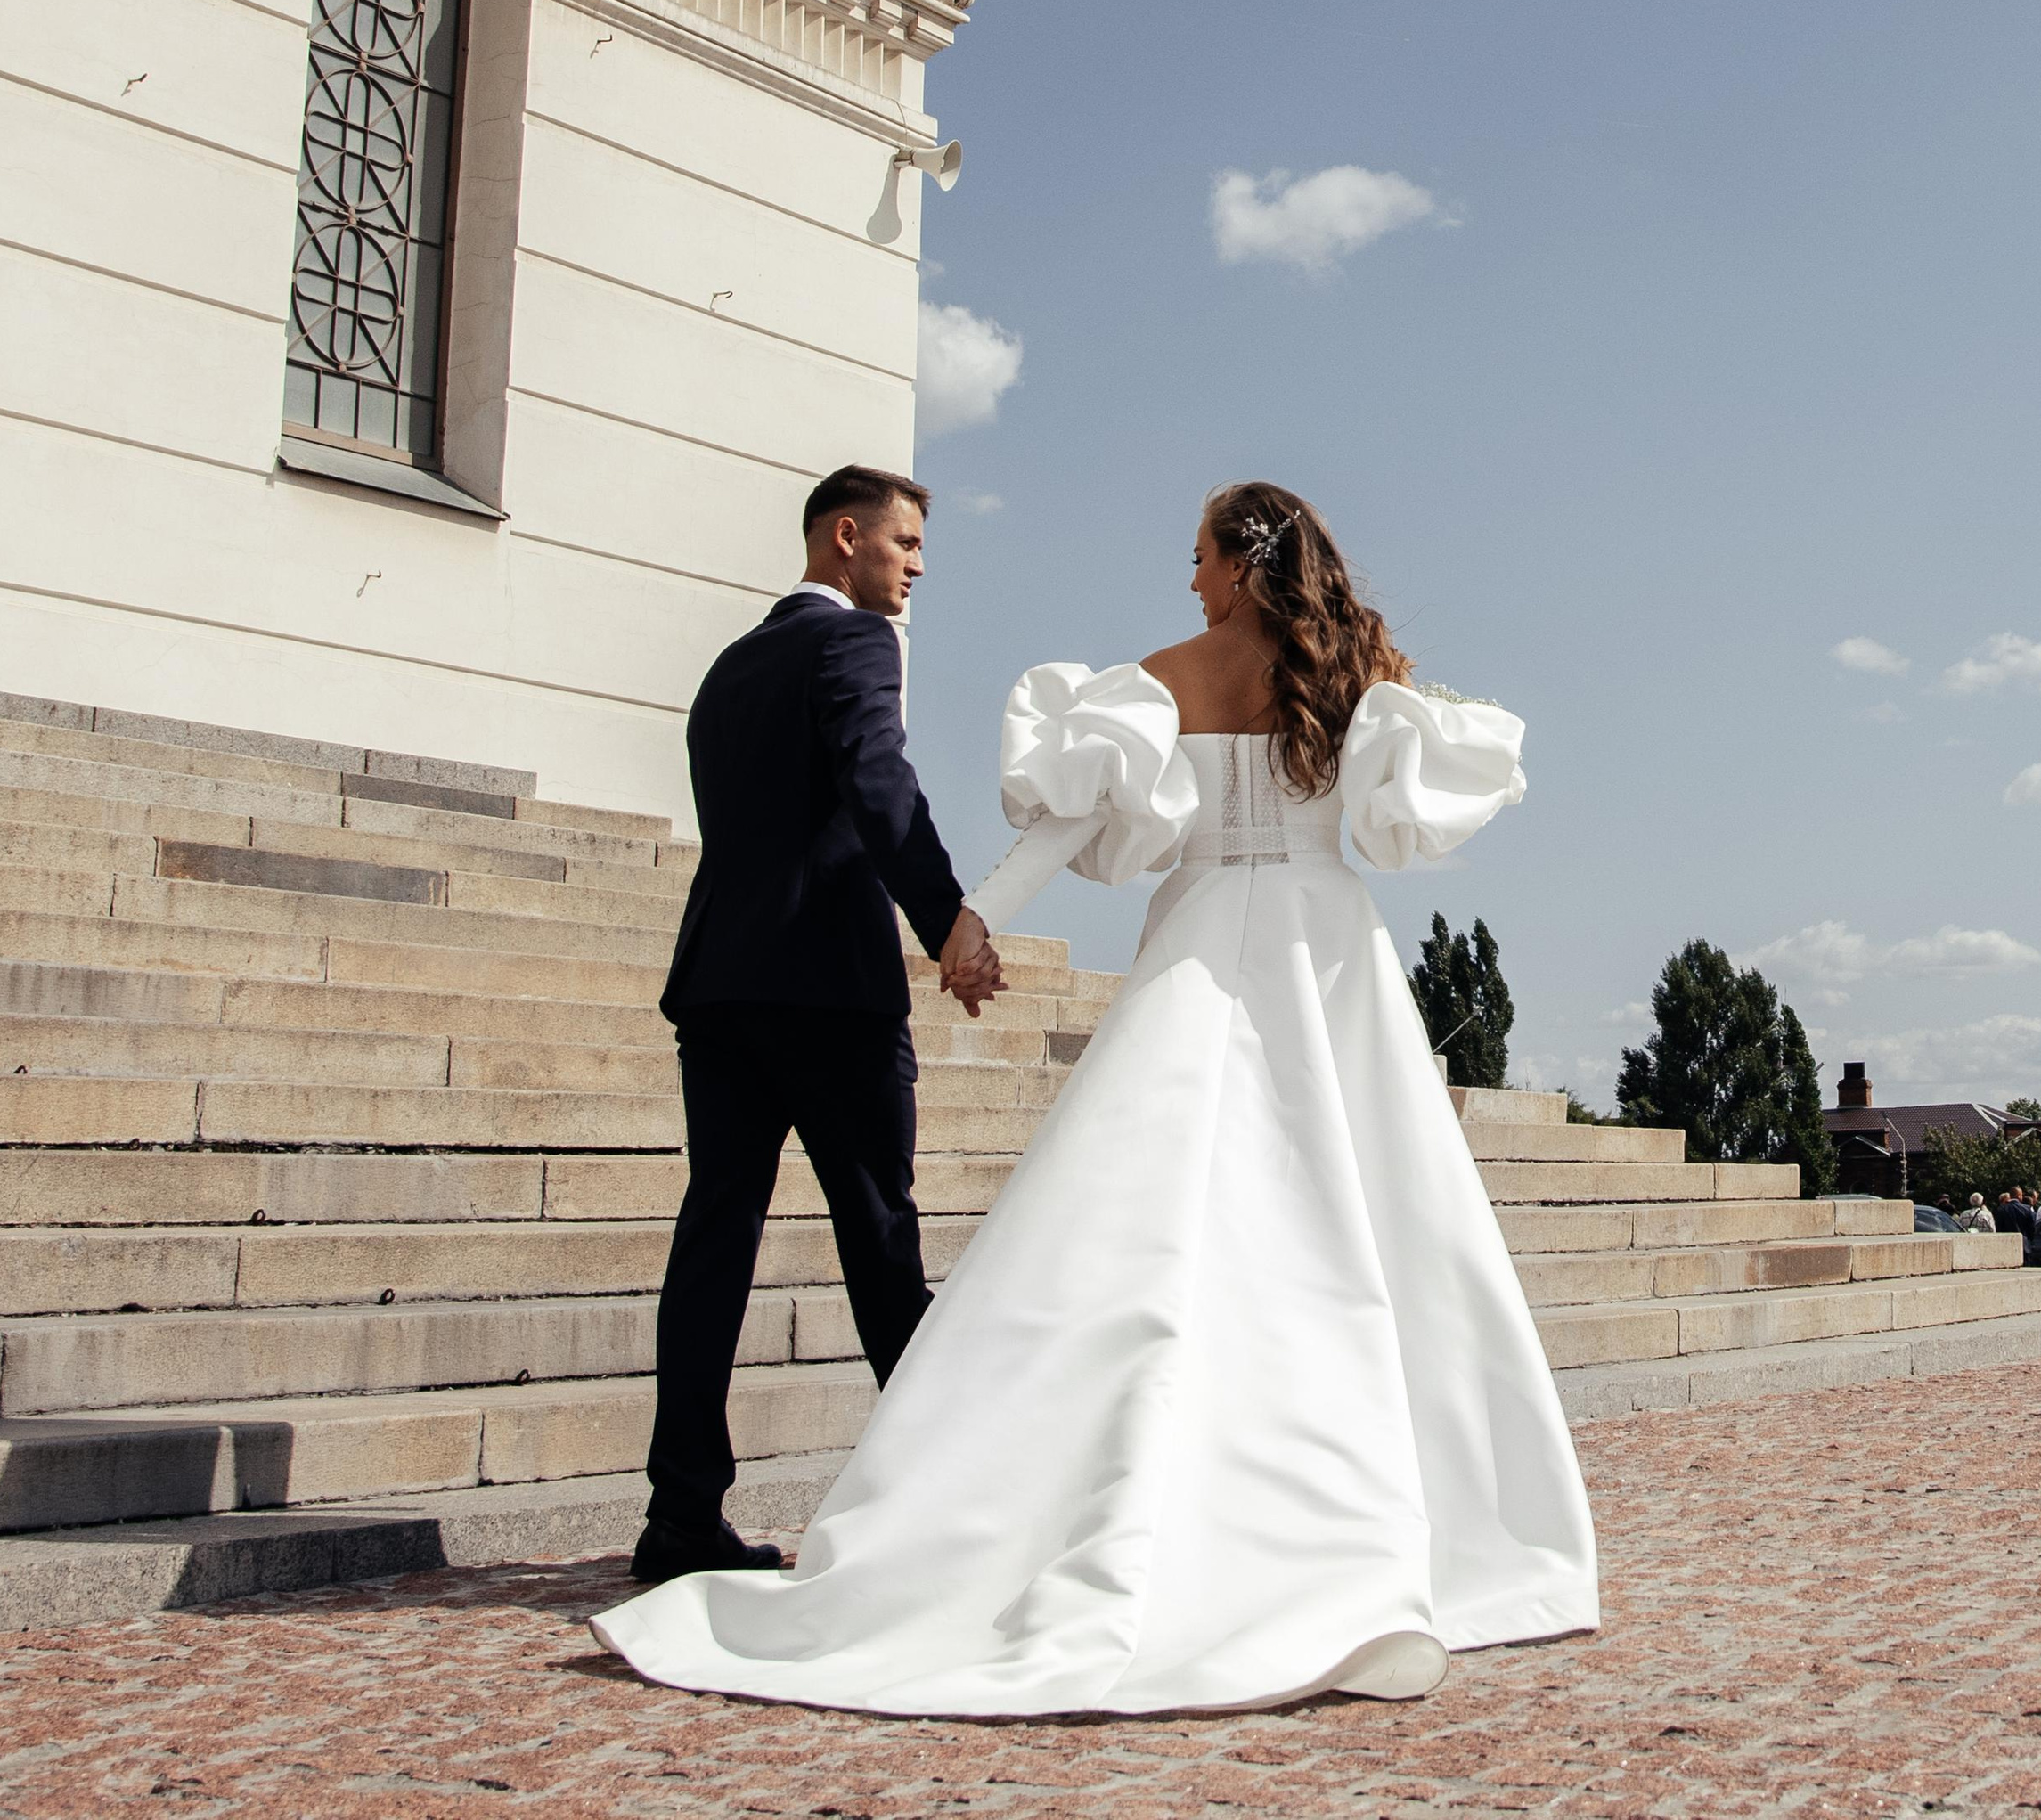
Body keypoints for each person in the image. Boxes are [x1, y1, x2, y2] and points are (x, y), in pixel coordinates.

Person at [594, 478, 1601, 1714]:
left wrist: (974, 920)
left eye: (1199, 556)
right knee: (1375, 1224)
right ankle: (1421, 1520)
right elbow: (1424, 807)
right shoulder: (1360, 680)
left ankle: (791, 1502)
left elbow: (1064, 827)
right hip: (1329, 956)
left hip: (1128, 948)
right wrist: (953, 923)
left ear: (1240, 562)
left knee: (1105, 1234)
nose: (1190, 577)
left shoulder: (1153, 679)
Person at [629, 465, 1001, 1591]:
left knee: (714, 1239)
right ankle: (945, 1500)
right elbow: (878, 779)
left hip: (720, 983)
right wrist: (947, 919)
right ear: (845, 537)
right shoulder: (854, 643)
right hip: (829, 990)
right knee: (881, 1238)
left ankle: (679, 1515)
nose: (918, 566)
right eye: (905, 543)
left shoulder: (727, 668)